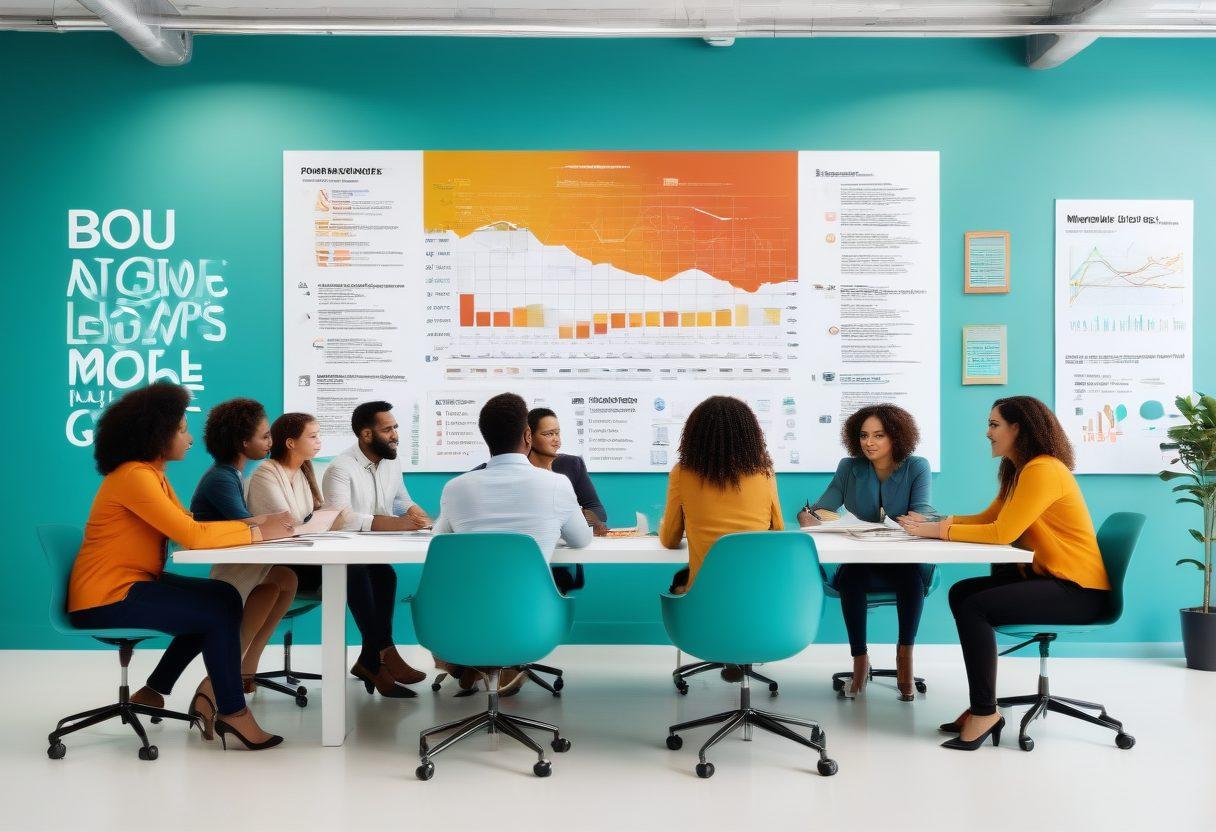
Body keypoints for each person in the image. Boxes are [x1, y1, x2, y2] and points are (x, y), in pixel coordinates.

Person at [67, 382, 293, 750]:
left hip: (130, 583)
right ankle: (233, 713)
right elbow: (190, 535)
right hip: (107, 598)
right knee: (215, 612)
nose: (189, 439)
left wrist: (257, 526)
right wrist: (257, 532)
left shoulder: (152, 474)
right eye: (182, 430)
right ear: (157, 435)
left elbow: (188, 524)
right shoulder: (134, 476)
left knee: (223, 596)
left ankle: (156, 690)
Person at [899, 396, 1111, 751]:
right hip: (1053, 581)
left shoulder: (1043, 469)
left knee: (974, 605)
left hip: (1078, 592)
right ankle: (982, 706)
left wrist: (936, 531)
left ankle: (985, 712)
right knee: (962, 593)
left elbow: (1002, 533)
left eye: (994, 424)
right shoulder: (1020, 470)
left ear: (1018, 428)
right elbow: (989, 518)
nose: (987, 432)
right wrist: (936, 522)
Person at [433, 393, 593, 693]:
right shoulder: (557, 484)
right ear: (528, 436)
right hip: (533, 614)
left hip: (467, 610)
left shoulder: (456, 488)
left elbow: (440, 541)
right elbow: (581, 539)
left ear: (486, 438)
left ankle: (473, 664)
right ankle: (497, 667)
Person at [795, 404, 934, 700]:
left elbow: (922, 511)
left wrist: (917, 520)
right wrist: (808, 516)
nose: (869, 442)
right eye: (863, 435)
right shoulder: (849, 467)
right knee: (851, 579)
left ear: (896, 436)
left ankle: (905, 658)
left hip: (902, 559)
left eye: (878, 435)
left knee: (911, 580)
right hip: (860, 560)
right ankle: (860, 659)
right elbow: (822, 509)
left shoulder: (917, 467)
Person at [184, 399, 301, 695]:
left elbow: (251, 523)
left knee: (286, 579)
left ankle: (246, 666)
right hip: (230, 567)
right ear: (242, 442)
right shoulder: (221, 478)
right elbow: (247, 524)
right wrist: (274, 521)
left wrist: (273, 522)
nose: (271, 442)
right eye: (265, 436)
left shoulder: (232, 474)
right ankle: (223, 678)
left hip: (239, 557)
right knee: (277, 582)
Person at [320, 401, 431, 694]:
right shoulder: (340, 468)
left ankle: (372, 658)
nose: (395, 435)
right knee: (362, 575)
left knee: (385, 575)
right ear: (366, 434)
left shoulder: (391, 461)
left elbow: (401, 500)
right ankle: (383, 653)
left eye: (395, 427)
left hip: (375, 548)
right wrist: (398, 524)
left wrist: (418, 516)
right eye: (387, 429)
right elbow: (342, 519)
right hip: (344, 550)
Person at [659, 395, 784, 593]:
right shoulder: (764, 473)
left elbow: (669, 540)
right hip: (755, 596)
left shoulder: (681, 474)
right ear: (751, 436)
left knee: (679, 583)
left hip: (704, 598)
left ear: (694, 436)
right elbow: (778, 529)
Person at [526, 407, 608, 532]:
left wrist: (574, 518)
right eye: (549, 434)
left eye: (557, 433)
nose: (556, 439)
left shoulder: (572, 464)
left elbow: (598, 511)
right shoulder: (517, 468)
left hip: (568, 538)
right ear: (529, 437)